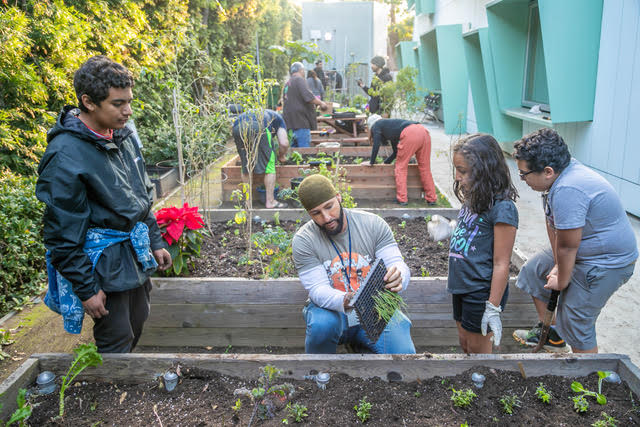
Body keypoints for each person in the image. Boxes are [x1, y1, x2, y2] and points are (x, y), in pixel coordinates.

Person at [36, 56, 172, 353]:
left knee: (139, 317)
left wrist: (155, 240)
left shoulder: (122, 135)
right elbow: (61, 233)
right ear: (88, 102)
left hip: (134, 252)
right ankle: (115, 389)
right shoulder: (66, 155)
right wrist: (87, 289)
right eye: (118, 103)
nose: (128, 111)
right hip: (105, 263)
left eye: (129, 101)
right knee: (116, 336)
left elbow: (140, 197)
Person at [512, 128, 637, 353]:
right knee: (533, 272)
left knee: (575, 321)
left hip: (607, 262)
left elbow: (568, 245)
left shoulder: (569, 188)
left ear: (548, 171)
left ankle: (589, 378)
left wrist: (562, 277)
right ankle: (553, 335)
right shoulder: (558, 179)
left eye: (524, 174)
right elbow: (554, 227)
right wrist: (558, 265)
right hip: (581, 248)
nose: (522, 179)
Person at [292, 174, 416, 354]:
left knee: (404, 354)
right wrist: (347, 300)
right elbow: (318, 289)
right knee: (322, 324)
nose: (326, 218)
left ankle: (361, 343)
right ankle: (317, 372)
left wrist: (399, 277)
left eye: (329, 207)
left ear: (338, 197)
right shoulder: (304, 240)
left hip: (374, 311)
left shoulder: (372, 224)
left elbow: (396, 263)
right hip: (332, 312)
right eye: (316, 213)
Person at [448, 134, 519, 354]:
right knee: (465, 344)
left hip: (480, 291)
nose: (458, 177)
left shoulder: (503, 208)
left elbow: (501, 263)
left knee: (479, 353)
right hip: (461, 286)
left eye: (463, 171)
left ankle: (483, 384)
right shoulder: (474, 197)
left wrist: (492, 307)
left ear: (484, 170)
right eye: (456, 170)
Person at [363, 115, 437, 206]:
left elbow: (376, 145)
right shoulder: (391, 127)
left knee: (400, 168)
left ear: (371, 125)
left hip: (411, 133)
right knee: (425, 168)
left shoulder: (377, 125)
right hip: (424, 132)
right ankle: (431, 198)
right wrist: (386, 163)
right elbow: (396, 152)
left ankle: (402, 199)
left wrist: (371, 162)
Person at [232, 109, 289, 209]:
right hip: (259, 126)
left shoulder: (254, 113)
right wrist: (281, 156)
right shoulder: (280, 120)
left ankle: (248, 203)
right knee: (269, 164)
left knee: (246, 164)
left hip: (238, 127)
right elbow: (284, 143)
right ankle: (270, 202)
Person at [283, 62, 327, 148]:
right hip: (300, 123)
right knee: (304, 152)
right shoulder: (299, 79)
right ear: (301, 70)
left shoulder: (288, 83)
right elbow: (308, 96)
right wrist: (321, 103)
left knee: (293, 153)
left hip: (290, 123)